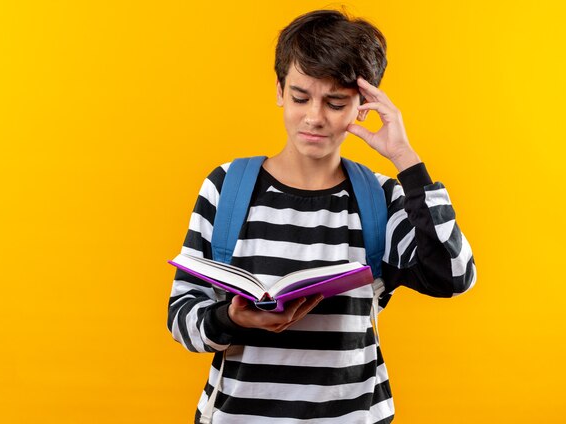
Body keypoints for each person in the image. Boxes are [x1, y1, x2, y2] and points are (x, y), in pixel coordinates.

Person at [167, 9, 476, 423]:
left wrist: (406, 160)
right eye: (300, 97)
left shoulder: (382, 198)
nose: (314, 117)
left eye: (335, 102)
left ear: (363, 105)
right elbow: (181, 315)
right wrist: (231, 319)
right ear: (279, 90)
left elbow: (453, 277)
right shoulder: (226, 187)